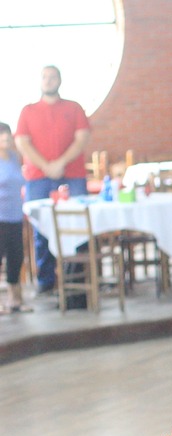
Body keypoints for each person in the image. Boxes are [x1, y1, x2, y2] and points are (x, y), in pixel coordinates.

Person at [15, 65, 90, 294]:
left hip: (72, 174)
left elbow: (82, 138)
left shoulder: (74, 108)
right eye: (45, 77)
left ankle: (79, 279)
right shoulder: (28, 111)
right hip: (38, 178)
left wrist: (60, 163)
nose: (48, 80)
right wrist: (46, 166)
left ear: (60, 80)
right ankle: (46, 281)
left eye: (53, 77)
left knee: (79, 224)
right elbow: (22, 142)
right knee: (41, 228)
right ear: (40, 81)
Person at [0, 122, 28, 313]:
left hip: (15, 215)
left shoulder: (14, 157)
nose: (6, 138)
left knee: (16, 257)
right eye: (2, 134)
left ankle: (15, 299)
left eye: (8, 134)